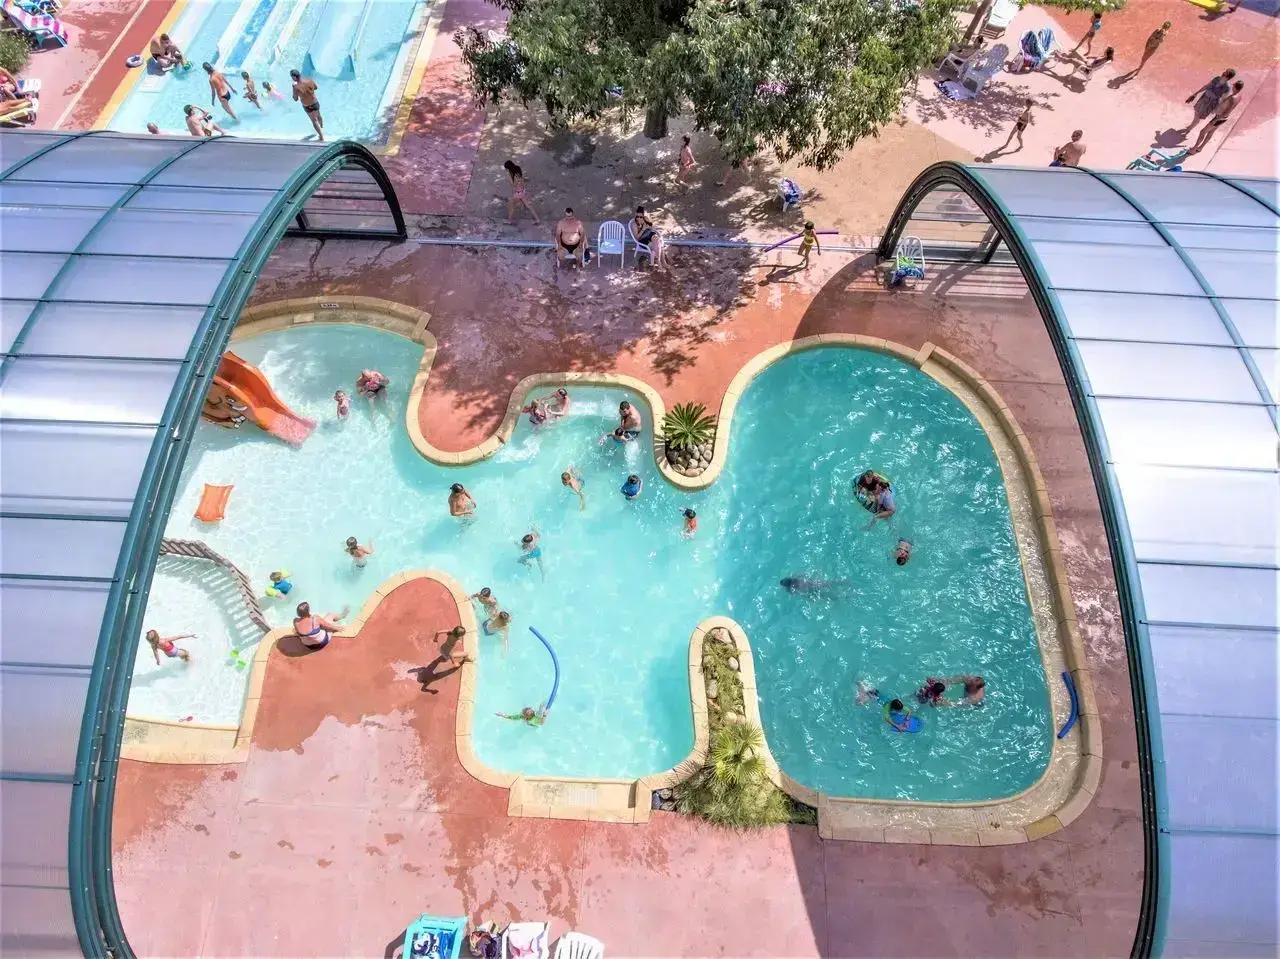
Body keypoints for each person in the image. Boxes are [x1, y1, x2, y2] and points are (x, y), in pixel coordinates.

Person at [1188, 81, 1244, 155]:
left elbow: (1228, 110)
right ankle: (1200, 147)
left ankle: (1194, 149)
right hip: (1224, 118)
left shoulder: (1232, 98)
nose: (1232, 87)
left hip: (1219, 118)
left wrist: (1217, 119)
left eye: (1233, 86)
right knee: (1211, 132)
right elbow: (1229, 108)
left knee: (1203, 131)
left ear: (1235, 87)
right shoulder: (1239, 97)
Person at [1181, 69, 1236, 135]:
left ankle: (1189, 129)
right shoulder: (1217, 78)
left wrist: (1216, 109)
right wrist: (1196, 93)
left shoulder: (1227, 87)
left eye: (1226, 72)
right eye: (1225, 71)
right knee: (1196, 113)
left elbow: (1222, 100)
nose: (1223, 72)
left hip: (1211, 103)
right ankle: (1191, 126)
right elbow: (1206, 86)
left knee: (1198, 116)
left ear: (1228, 76)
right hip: (1204, 98)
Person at [290, 69, 324, 140]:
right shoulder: (310, 80)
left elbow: (295, 99)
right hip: (314, 102)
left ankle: (321, 136)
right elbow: (315, 88)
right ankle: (322, 128)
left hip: (307, 106)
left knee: (314, 120)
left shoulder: (296, 87)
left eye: (291, 77)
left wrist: (294, 88)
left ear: (294, 77)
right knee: (318, 116)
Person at [503, 160, 539, 225]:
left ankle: (509, 221)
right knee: (528, 206)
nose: (506, 170)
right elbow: (522, 179)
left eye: (506, 169)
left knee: (511, 206)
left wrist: (511, 179)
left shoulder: (511, 174)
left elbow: (513, 185)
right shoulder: (518, 168)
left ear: (508, 168)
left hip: (517, 193)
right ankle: (537, 219)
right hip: (522, 191)